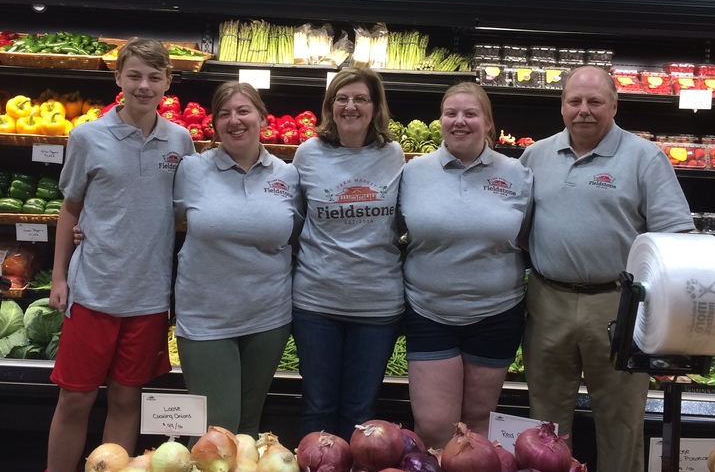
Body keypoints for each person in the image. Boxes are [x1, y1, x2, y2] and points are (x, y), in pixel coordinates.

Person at [33, 38, 195, 472]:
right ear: (118, 80)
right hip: (94, 291)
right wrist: (59, 277)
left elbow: (184, 215)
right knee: (75, 399)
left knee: (127, 400)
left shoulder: (180, 142)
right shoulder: (88, 137)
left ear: (168, 82)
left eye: (154, 77)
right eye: (134, 76)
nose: (143, 85)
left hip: (148, 298)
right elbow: (70, 210)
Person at [520, 64, 694, 472]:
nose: (584, 111)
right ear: (561, 106)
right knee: (546, 424)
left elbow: (678, 239)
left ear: (614, 105)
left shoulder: (645, 157)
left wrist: (670, 327)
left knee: (621, 421)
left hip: (619, 305)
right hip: (547, 300)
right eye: (575, 101)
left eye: (595, 101)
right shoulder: (535, 157)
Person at [399, 81, 533, 449]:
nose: (460, 121)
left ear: (488, 123)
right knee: (434, 425)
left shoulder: (518, 174)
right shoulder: (413, 172)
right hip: (429, 312)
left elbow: (528, 236)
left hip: (497, 314)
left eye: (471, 114)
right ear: (440, 119)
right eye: (451, 113)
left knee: (475, 426)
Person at [172, 81, 302, 436]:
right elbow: (155, 222)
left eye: (244, 111)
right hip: (206, 318)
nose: (235, 120)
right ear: (215, 124)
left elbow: (301, 236)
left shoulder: (287, 175)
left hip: (269, 317)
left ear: (262, 116)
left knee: (249, 426)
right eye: (224, 114)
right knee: (219, 428)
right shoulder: (191, 170)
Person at [291, 67, 405, 440]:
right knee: (318, 405)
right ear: (330, 106)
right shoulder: (307, 154)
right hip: (316, 304)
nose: (350, 106)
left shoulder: (393, 154)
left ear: (375, 107)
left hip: (377, 307)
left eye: (360, 99)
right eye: (342, 98)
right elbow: (294, 221)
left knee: (361, 409)